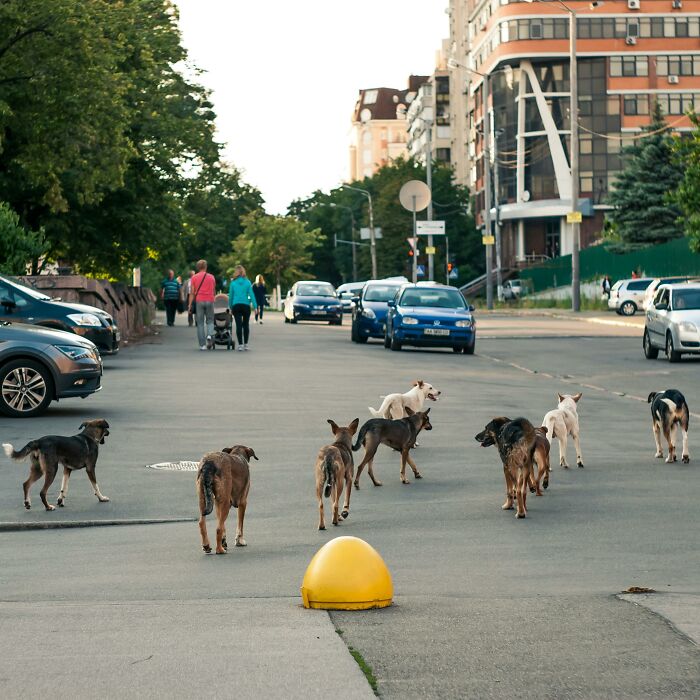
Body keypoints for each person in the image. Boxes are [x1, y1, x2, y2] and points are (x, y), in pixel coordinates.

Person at [188, 259, 216, 350]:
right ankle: (209, 334)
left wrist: (190, 304)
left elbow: (192, 293)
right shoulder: (212, 277)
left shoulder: (194, 278)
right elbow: (213, 290)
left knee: (200, 323)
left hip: (199, 300)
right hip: (210, 300)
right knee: (210, 320)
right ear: (206, 267)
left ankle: (202, 345)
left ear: (198, 267)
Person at [228, 265, 257, 351]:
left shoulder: (233, 283)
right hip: (245, 306)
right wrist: (255, 307)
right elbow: (252, 295)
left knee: (238, 325)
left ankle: (240, 345)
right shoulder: (247, 282)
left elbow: (231, 297)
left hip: (236, 306)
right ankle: (246, 344)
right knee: (246, 325)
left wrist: (230, 307)